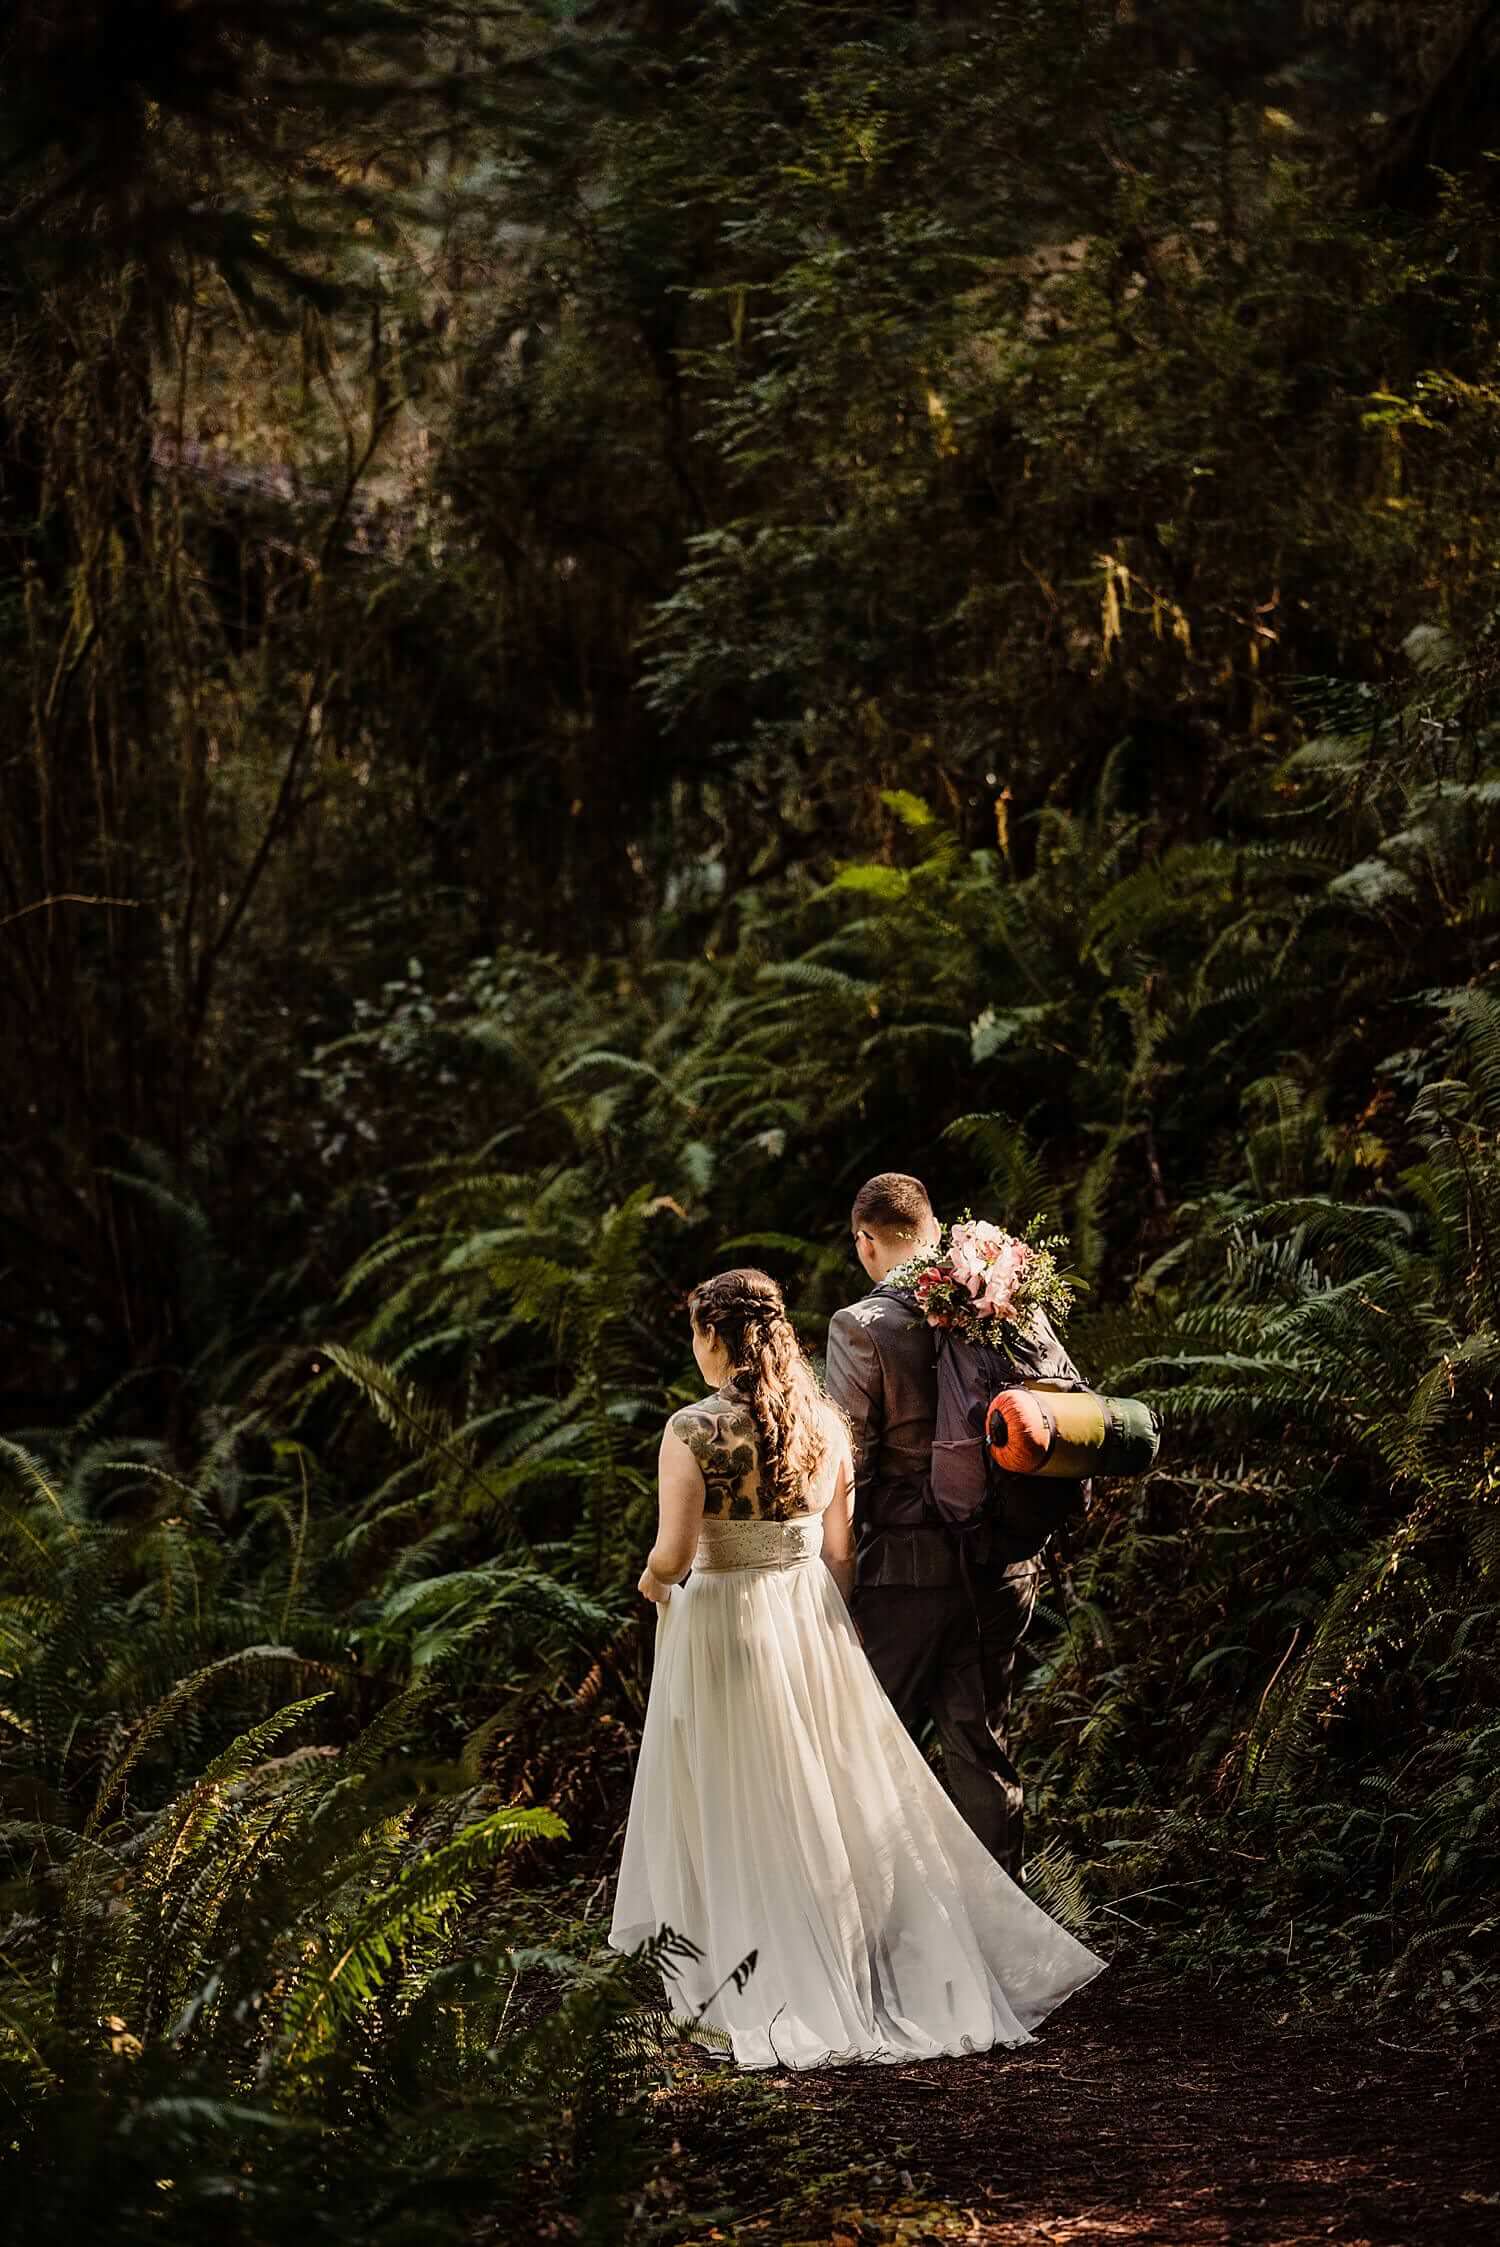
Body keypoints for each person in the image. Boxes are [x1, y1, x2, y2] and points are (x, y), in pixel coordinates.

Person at [609, 1265, 1103, 2071]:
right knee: (820, 1793)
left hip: (725, 1618)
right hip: (808, 1613)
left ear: (715, 1337)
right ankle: (843, 1955)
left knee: (734, 1790)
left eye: (696, 1333)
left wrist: (657, 1582)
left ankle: (744, 1973)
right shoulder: (827, 1424)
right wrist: (814, 1612)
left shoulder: (691, 1431)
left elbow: (672, 1549)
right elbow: (840, 1556)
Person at [825, 1172, 1085, 1881]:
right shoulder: (1001, 1296)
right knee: (981, 1746)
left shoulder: (861, 1326)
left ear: (866, 1239)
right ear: (936, 1227)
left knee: (866, 1747)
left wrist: (834, 1575)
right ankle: (1002, 1944)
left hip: (905, 1575)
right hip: (999, 1563)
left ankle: (877, 1936)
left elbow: (849, 1467)